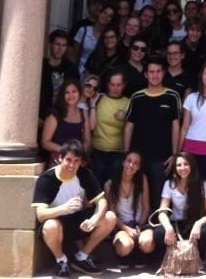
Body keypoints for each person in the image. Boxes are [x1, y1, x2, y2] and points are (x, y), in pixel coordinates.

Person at [32, 139, 116, 278]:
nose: (72, 165)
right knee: (50, 225)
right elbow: (40, 214)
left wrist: (94, 219)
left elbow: (101, 201)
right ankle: (61, 261)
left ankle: (82, 257)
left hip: (78, 223)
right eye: (68, 160)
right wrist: (64, 208)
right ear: (60, 158)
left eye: (76, 161)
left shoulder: (84, 173)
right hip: (57, 224)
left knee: (110, 217)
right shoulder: (47, 178)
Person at [124, 56, 183, 212]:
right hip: (139, 157)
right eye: (151, 72)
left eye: (158, 71)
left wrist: (175, 154)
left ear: (163, 73)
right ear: (146, 74)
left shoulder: (172, 96)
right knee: (138, 194)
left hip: (163, 158)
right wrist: (126, 154)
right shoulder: (137, 97)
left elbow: (176, 126)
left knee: (159, 197)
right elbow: (129, 127)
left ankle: (159, 230)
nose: (155, 75)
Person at [153, 153, 206, 268]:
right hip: (176, 224)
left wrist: (198, 223)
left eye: (186, 164)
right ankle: (171, 257)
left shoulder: (203, 185)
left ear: (192, 166)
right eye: (179, 165)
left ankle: (197, 255)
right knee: (159, 233)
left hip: (193, 223)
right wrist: (168, 227)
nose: (182, 168)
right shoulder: (169, 184)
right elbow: (162, 212)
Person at [105, 150, 155, 269]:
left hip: (140, 224)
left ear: (139, 167)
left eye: (136, 163)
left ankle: (139, 251)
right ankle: (125, 253)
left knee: (147, 243)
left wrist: (139, 225)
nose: (131, 165)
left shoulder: (142, 179)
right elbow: (112, 213)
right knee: (125, 246)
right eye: (129, 161)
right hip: (122, 226)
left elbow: (146, 207)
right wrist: (126, 228)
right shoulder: (110, 184)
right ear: (123, 162)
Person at [89, 69, 129, 185]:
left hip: (118, 153)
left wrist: (127, 117)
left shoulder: (128, 102)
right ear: (107, 84)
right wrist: (93, 105)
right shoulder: (99, 99)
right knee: (96, 187)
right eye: (112, 85)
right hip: (98, 151)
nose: (115, 88)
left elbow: (136, 127)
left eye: (119, 85)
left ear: (124, 85)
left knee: (112, 187)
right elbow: (90, 126)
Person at [41, 79, 90, 166]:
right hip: (58, 161)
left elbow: (87, 141)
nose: (71, 95)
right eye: (67, 92)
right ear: (62, 95)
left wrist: (78, 154)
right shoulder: (54, 114)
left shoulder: (84, 113)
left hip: (77, 162)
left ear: (79, 92)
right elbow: (45, 142)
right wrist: (66, 152)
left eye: (74, 91)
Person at [40, 30, 80, 122]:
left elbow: (76, 94)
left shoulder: (71, 69)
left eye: (63, 45)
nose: (60, 48)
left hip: (64, 119)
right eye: (57, 44)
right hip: (41, 117)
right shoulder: (40, 67)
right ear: (50, 44)